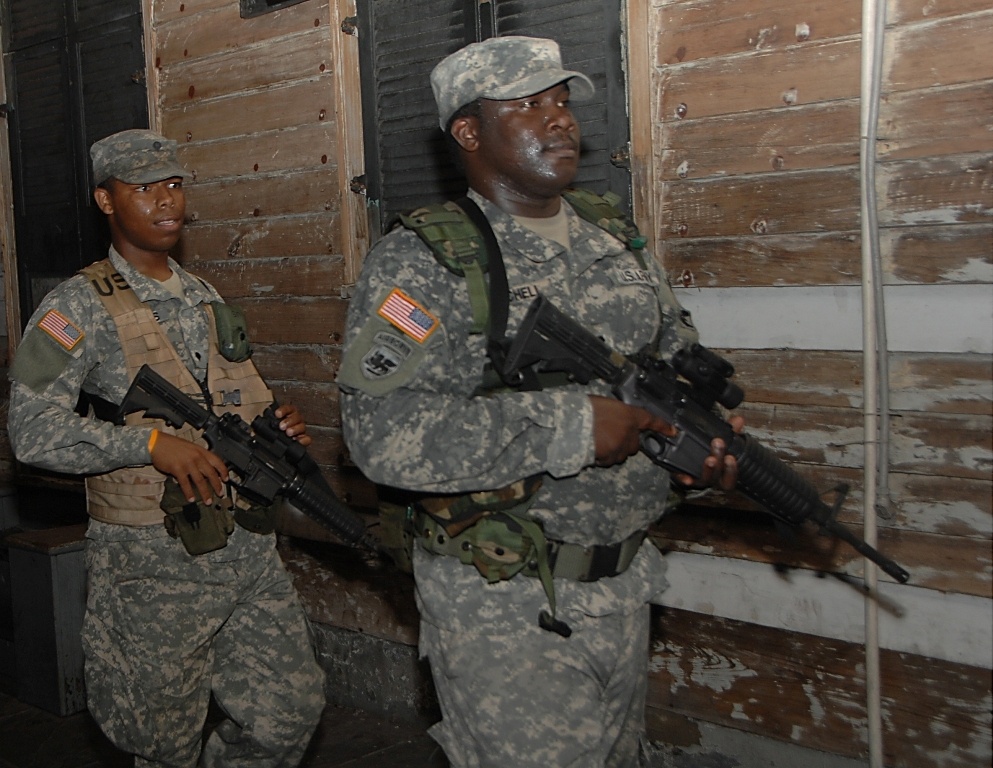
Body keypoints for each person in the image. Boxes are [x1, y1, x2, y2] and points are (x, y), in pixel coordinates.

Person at [336, 36, 742, 767]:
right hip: (503, 603)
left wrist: (698, 444)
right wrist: (570, 426)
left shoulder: (614, 237)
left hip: (622, 584)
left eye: (561, 101)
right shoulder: (423, 260)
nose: (558, 120)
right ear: (467, 132)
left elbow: (673, 359)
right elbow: (378, 433)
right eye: (526, 105)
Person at [7, 129, 326, 768]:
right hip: (151, 563)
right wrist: (146, 444)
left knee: (288, 715)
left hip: (244, 551)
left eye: (174, 184)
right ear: (105, 199)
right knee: (160, 743)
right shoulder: (76, 306)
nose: (165, 201)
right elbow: (31, 430)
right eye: (143, 187)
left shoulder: (205, 297)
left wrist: (274, 424)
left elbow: (226, 405)